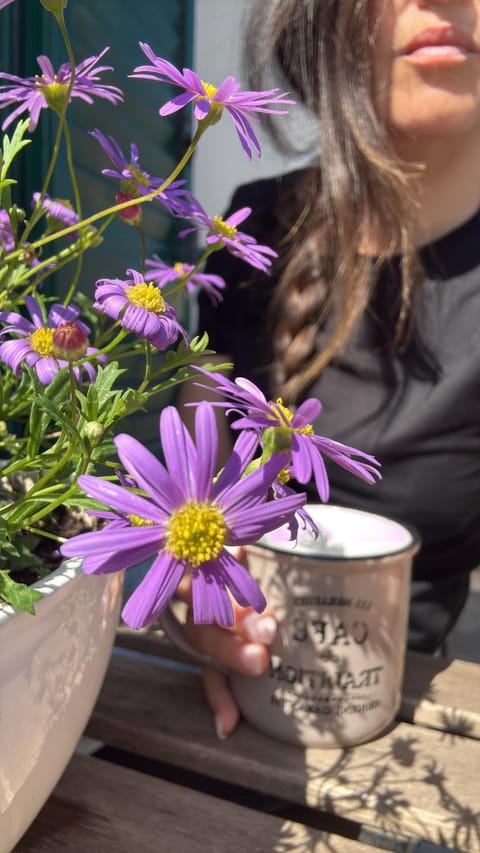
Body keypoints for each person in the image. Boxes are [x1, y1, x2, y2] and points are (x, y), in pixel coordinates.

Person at [176, 0, 480, 738]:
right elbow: (185, 489)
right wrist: (193, 597)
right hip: (205, 715)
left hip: (406, 728)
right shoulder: (250, 234)